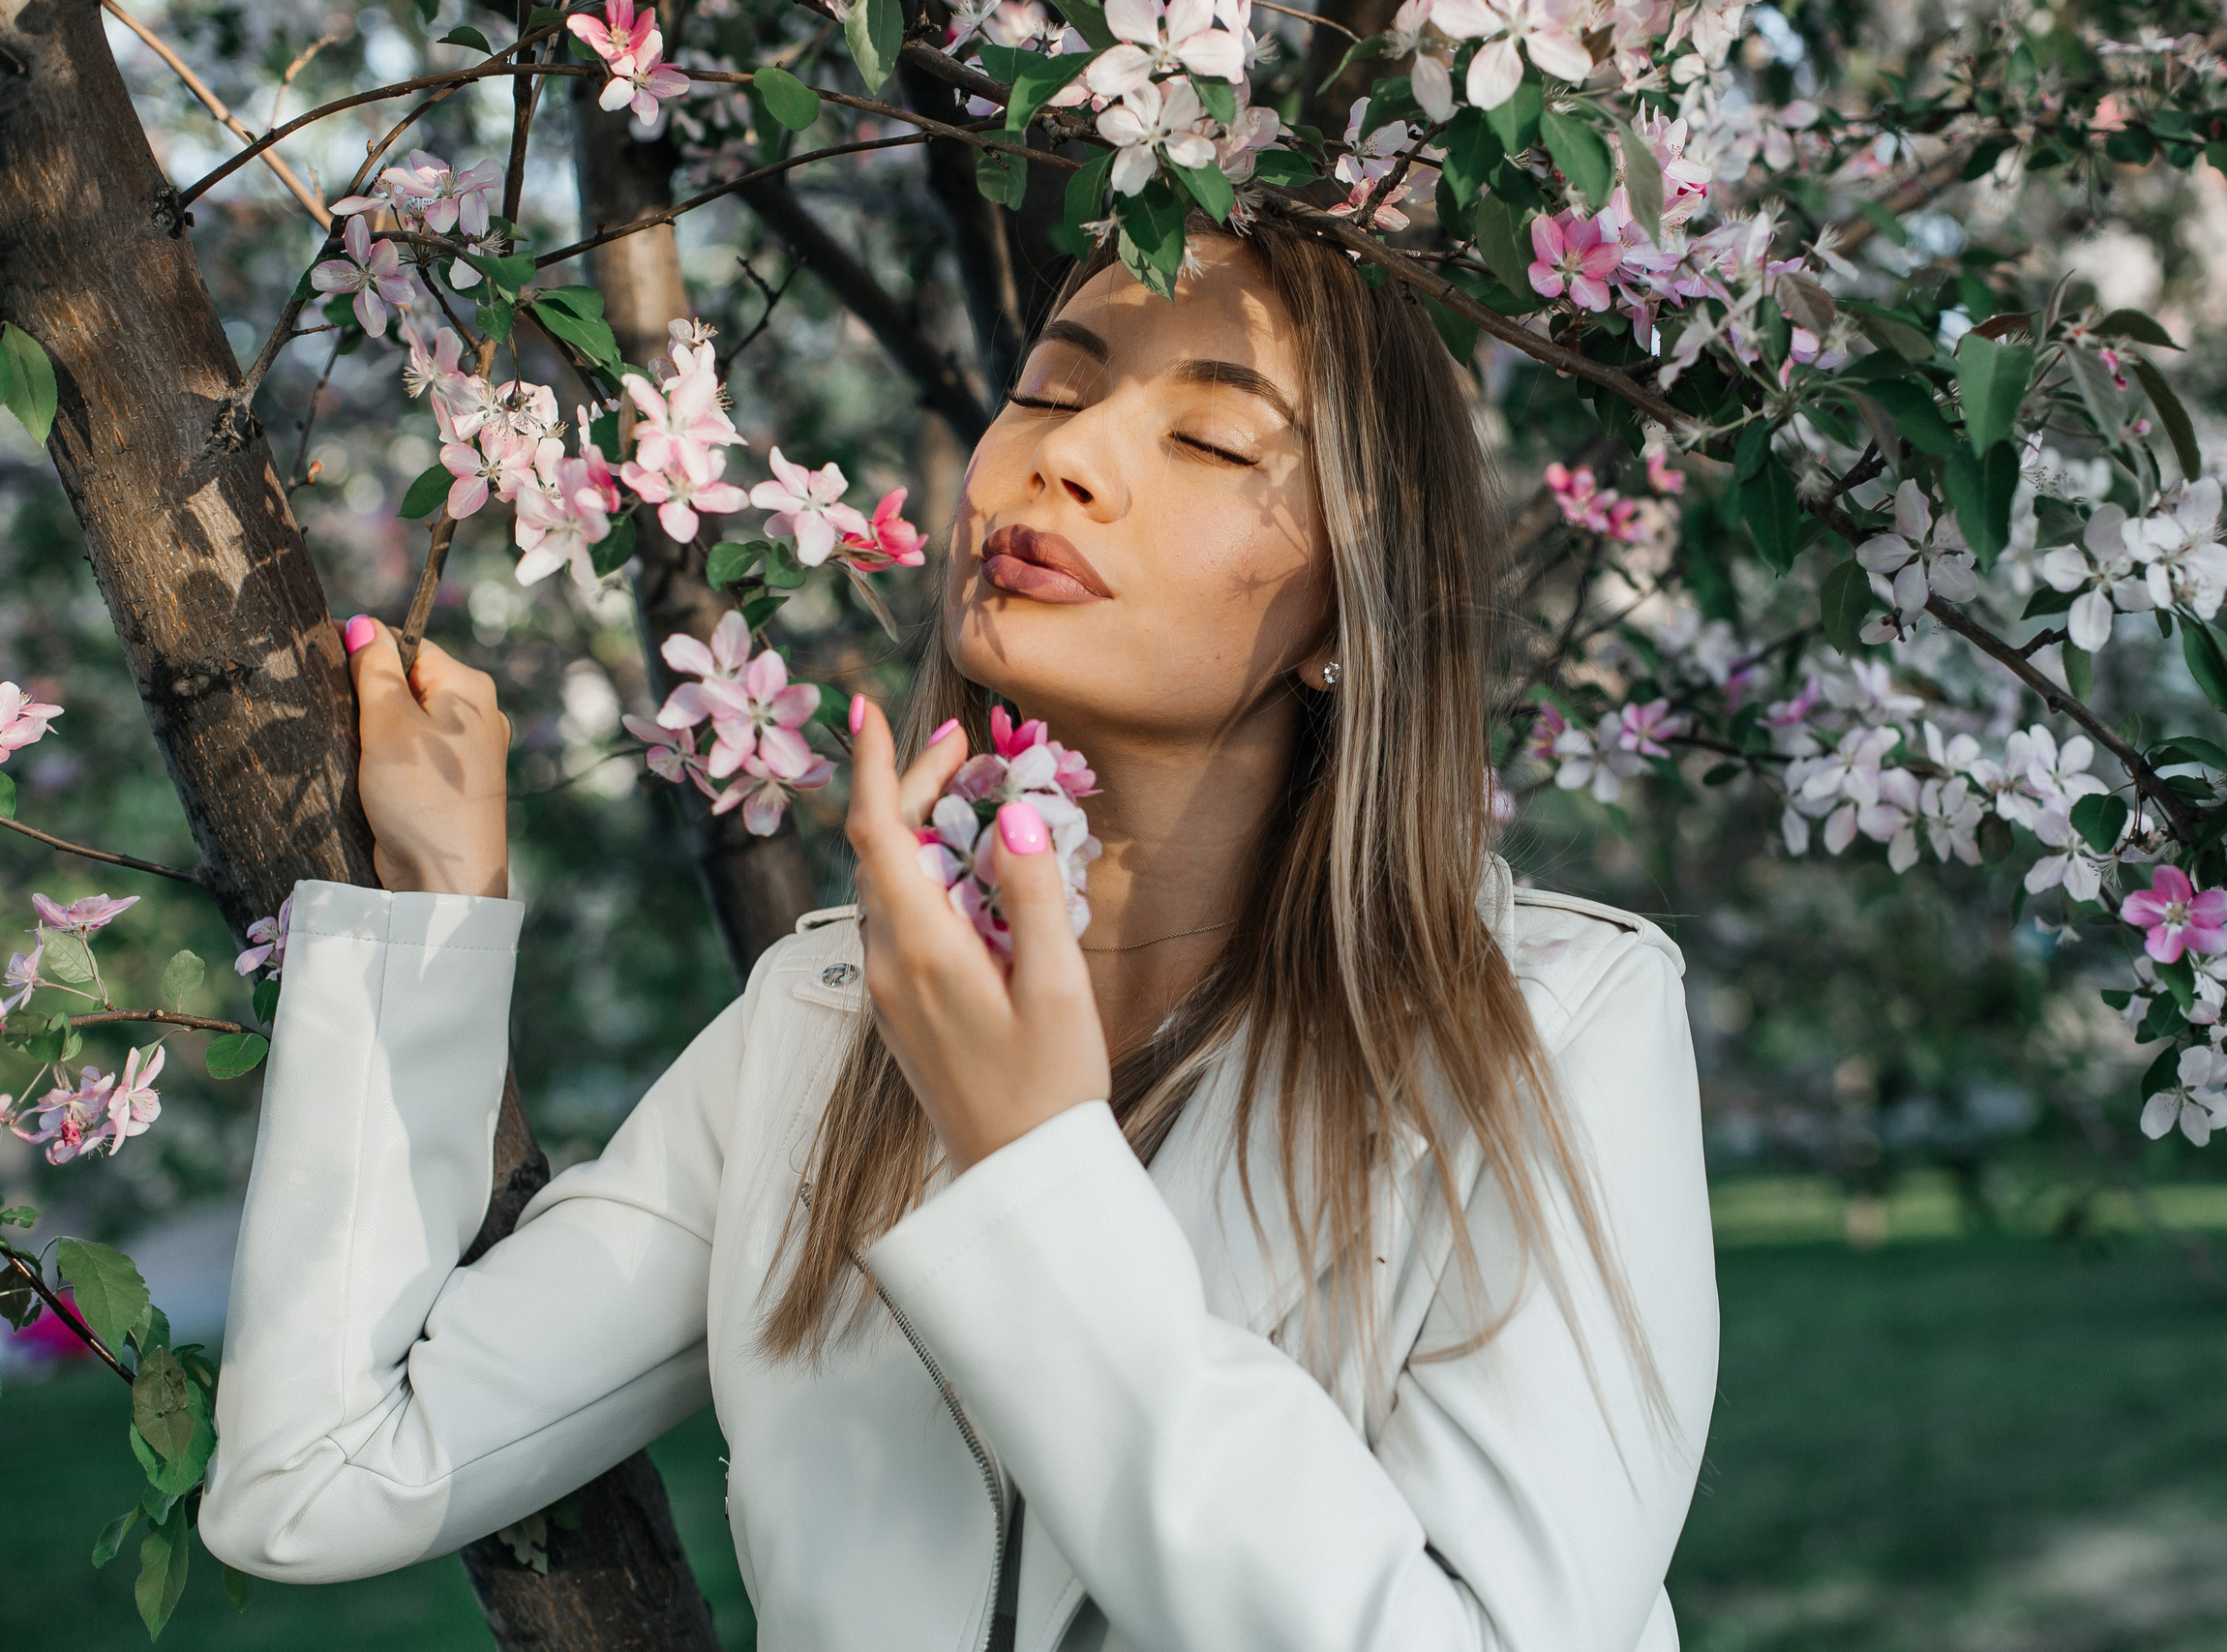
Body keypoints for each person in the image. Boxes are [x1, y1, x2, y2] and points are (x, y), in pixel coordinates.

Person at [198, 214, 1719, 1652]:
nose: (1064, 458)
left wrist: (1030, 1171)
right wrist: (426, 930)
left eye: (1208, 437)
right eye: (1049, 388)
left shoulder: (1547, 1026)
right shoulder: (827, 1018)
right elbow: (318, 1476)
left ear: (1349, 609)